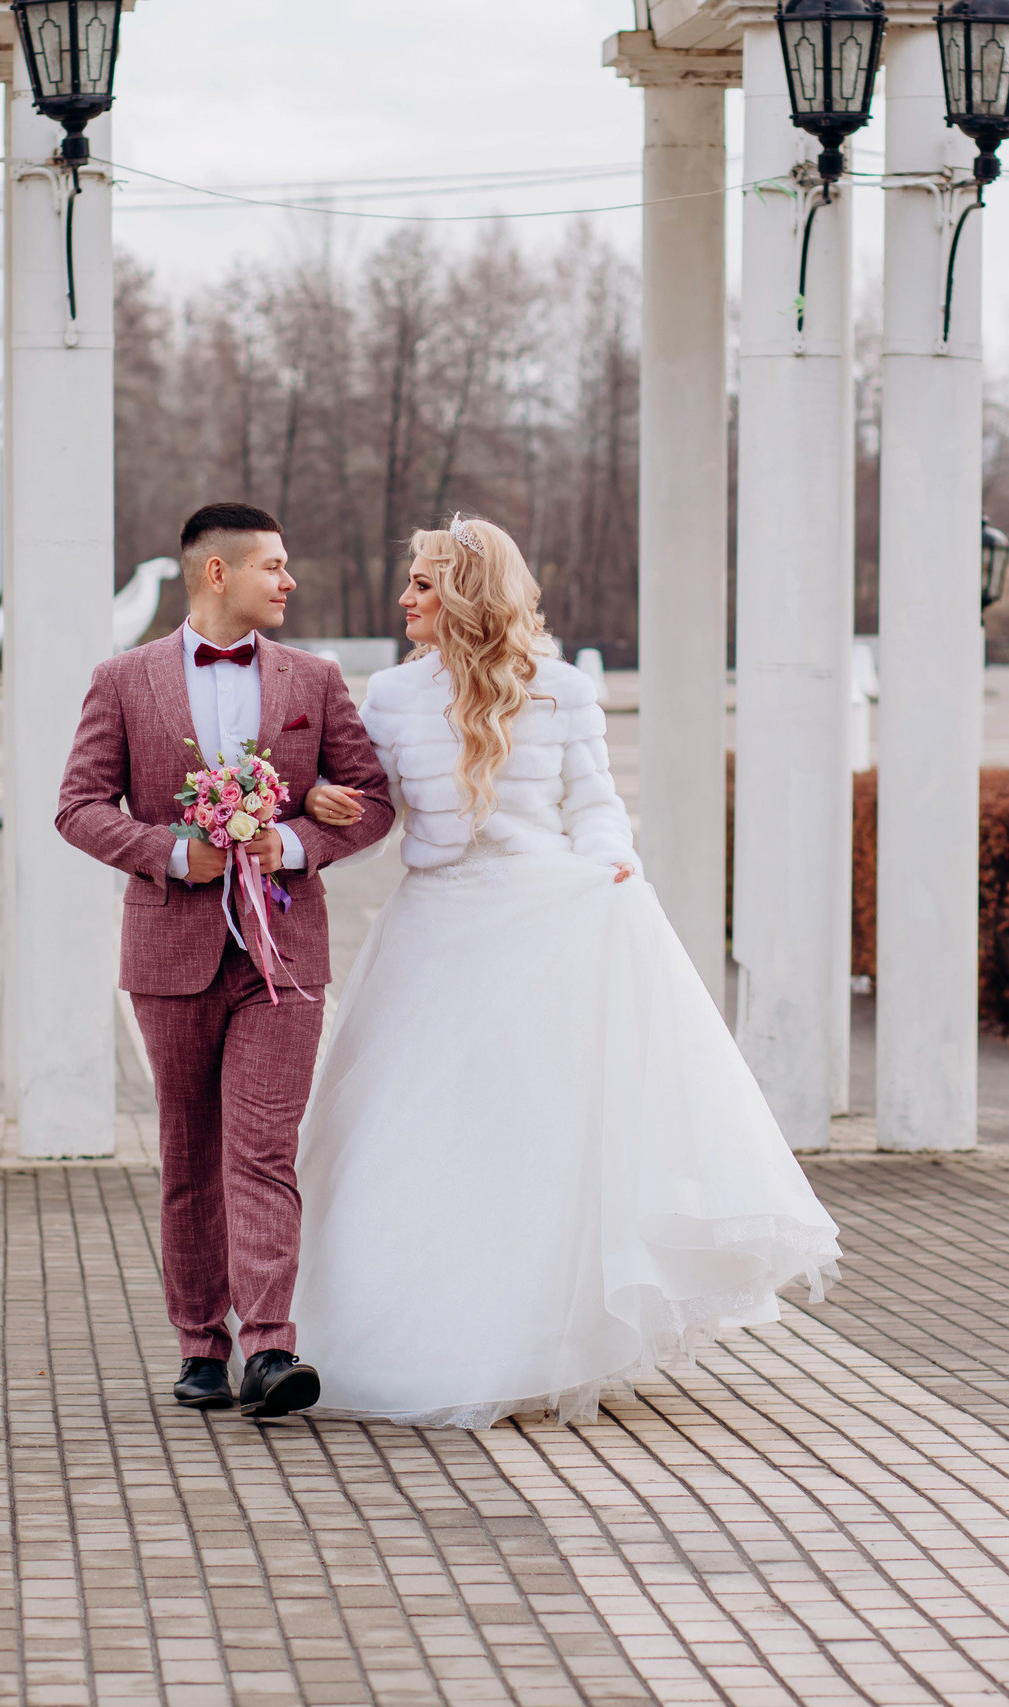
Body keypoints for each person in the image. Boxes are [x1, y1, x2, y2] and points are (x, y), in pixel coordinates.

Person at [290, 517, 840, 1429]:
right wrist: (316, 799)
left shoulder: (563, 692)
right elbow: (367, 804)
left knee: (536, 1140)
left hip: (547, 926)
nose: (405, 601)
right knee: (410, 1130)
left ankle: (541, 1340)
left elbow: (595, 804)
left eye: (424, 585)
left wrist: (612, 869)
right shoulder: (387, 695)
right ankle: (414, 1327)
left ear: (464, 592)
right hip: (435, 933)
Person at [55, 502, 394, 1419]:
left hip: (283, 953)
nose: (288, 582)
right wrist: (171, 851)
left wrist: (288, 844)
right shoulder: (122, 679)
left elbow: (370, 799)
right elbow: (79, 804)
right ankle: (200, 1343)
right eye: (274, 566)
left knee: (263, 1149)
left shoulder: (313, 680)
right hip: (172, 950)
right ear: (218, 573)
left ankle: (272, 1348)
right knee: (189, 1152)